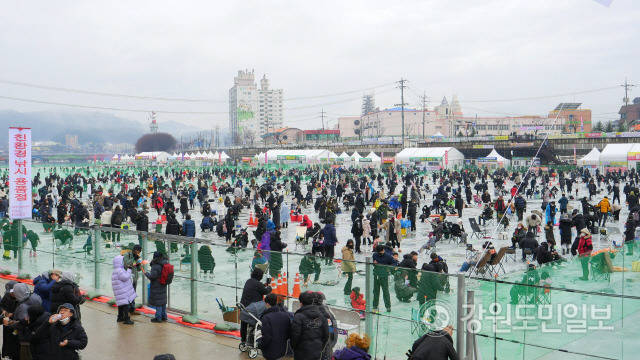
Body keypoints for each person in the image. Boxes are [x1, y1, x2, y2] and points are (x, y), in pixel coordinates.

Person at [290, 291, 329, 360]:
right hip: (317, 350)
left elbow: (295, 336)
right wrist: (320, 347)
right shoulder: (321, 315)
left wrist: (294, 348)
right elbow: (326, 334)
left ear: (301, 303)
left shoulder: (298, 317)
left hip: (302, 351)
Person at [239, 268, 272, 344]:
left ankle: (243, 340)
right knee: (255, 322)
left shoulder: (248, 281)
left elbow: (257, 287)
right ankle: (253, 339)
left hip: (244, 307)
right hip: (253, 309)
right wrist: (269, 286)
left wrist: (263, 285)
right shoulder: (258, 284)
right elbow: (266, 291)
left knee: (244, 323)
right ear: (260, 276)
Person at [259, 293, 291, 360]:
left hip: (270, 350)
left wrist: (261, 346)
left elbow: (266, 337)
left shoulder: (266, 318)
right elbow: (289, 333)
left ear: (267, 304)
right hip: (282, 348)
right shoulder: (285, 316)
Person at [111, 255, 137, 325]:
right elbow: (125, 277)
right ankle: (126, 318)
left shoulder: (116, 270)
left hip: (119, 291)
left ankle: (120, 317)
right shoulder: (119, 270)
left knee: (121, 304)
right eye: (122, 261)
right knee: (125, 304)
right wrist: (129, 270)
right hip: (123, 291)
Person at [145, 251, 169, 323]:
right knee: (163, 301)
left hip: (157, 285)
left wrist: (146, 273)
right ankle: (164, 316)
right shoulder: (165, 263)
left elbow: (152, 277)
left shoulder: (156, 266)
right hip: (163, 284)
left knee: (158, 302)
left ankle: (158, 317)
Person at [371, 245, 394, 312]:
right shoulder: (375, 255)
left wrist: (388, 268)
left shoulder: (388, 256)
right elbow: (372, 263)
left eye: (380, 252)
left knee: (385, 291)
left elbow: (394, 263)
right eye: (378, 252)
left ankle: (388, 306)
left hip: (384, 276)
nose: (379, 254)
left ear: (383, 250)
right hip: (376, 275)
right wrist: (374, 263)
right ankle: (375, 305)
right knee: (376, 291)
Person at [123, 245, 142, 313]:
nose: (138, 253)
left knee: (133, 294)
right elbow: (126, 263)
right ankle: (126, 309)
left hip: (134, 279)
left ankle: (132, 309)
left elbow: (139, 269)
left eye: (139, 252)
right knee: (127, 294)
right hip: (128, 278)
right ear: (134, 250)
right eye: (138, 251)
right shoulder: (127, 255)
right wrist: (134, 259)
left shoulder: (137, 257)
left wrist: (139, 264)